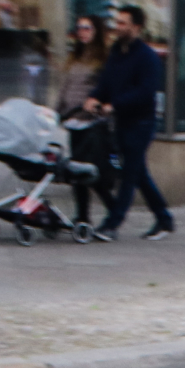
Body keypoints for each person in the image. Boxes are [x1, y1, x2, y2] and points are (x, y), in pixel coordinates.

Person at [86, 5, 174, 241]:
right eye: (117, 22)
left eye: (123, 23)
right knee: (139, 173)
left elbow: (145, 92)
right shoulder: (116, 52)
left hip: (141, 122)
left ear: (136, 27)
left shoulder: (147, 57)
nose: (117, 27)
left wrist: (115, 104)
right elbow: (107, 82)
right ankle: (164, 218)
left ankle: (112, 224)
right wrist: (95, 97)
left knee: (129, 174)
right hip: (122, 121)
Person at [55, 14, 112, 231]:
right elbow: (65, 86)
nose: (82, 32)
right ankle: (83, 216)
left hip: (91, 121)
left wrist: (99, 106)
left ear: (96, 31)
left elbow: (107, 89)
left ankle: (111, 209)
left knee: (89, 171)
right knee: (76, 169)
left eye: (87, 28)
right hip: (73, 119)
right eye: (79, 27)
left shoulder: (103, 59)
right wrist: (56, 111)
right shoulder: (75, 57)